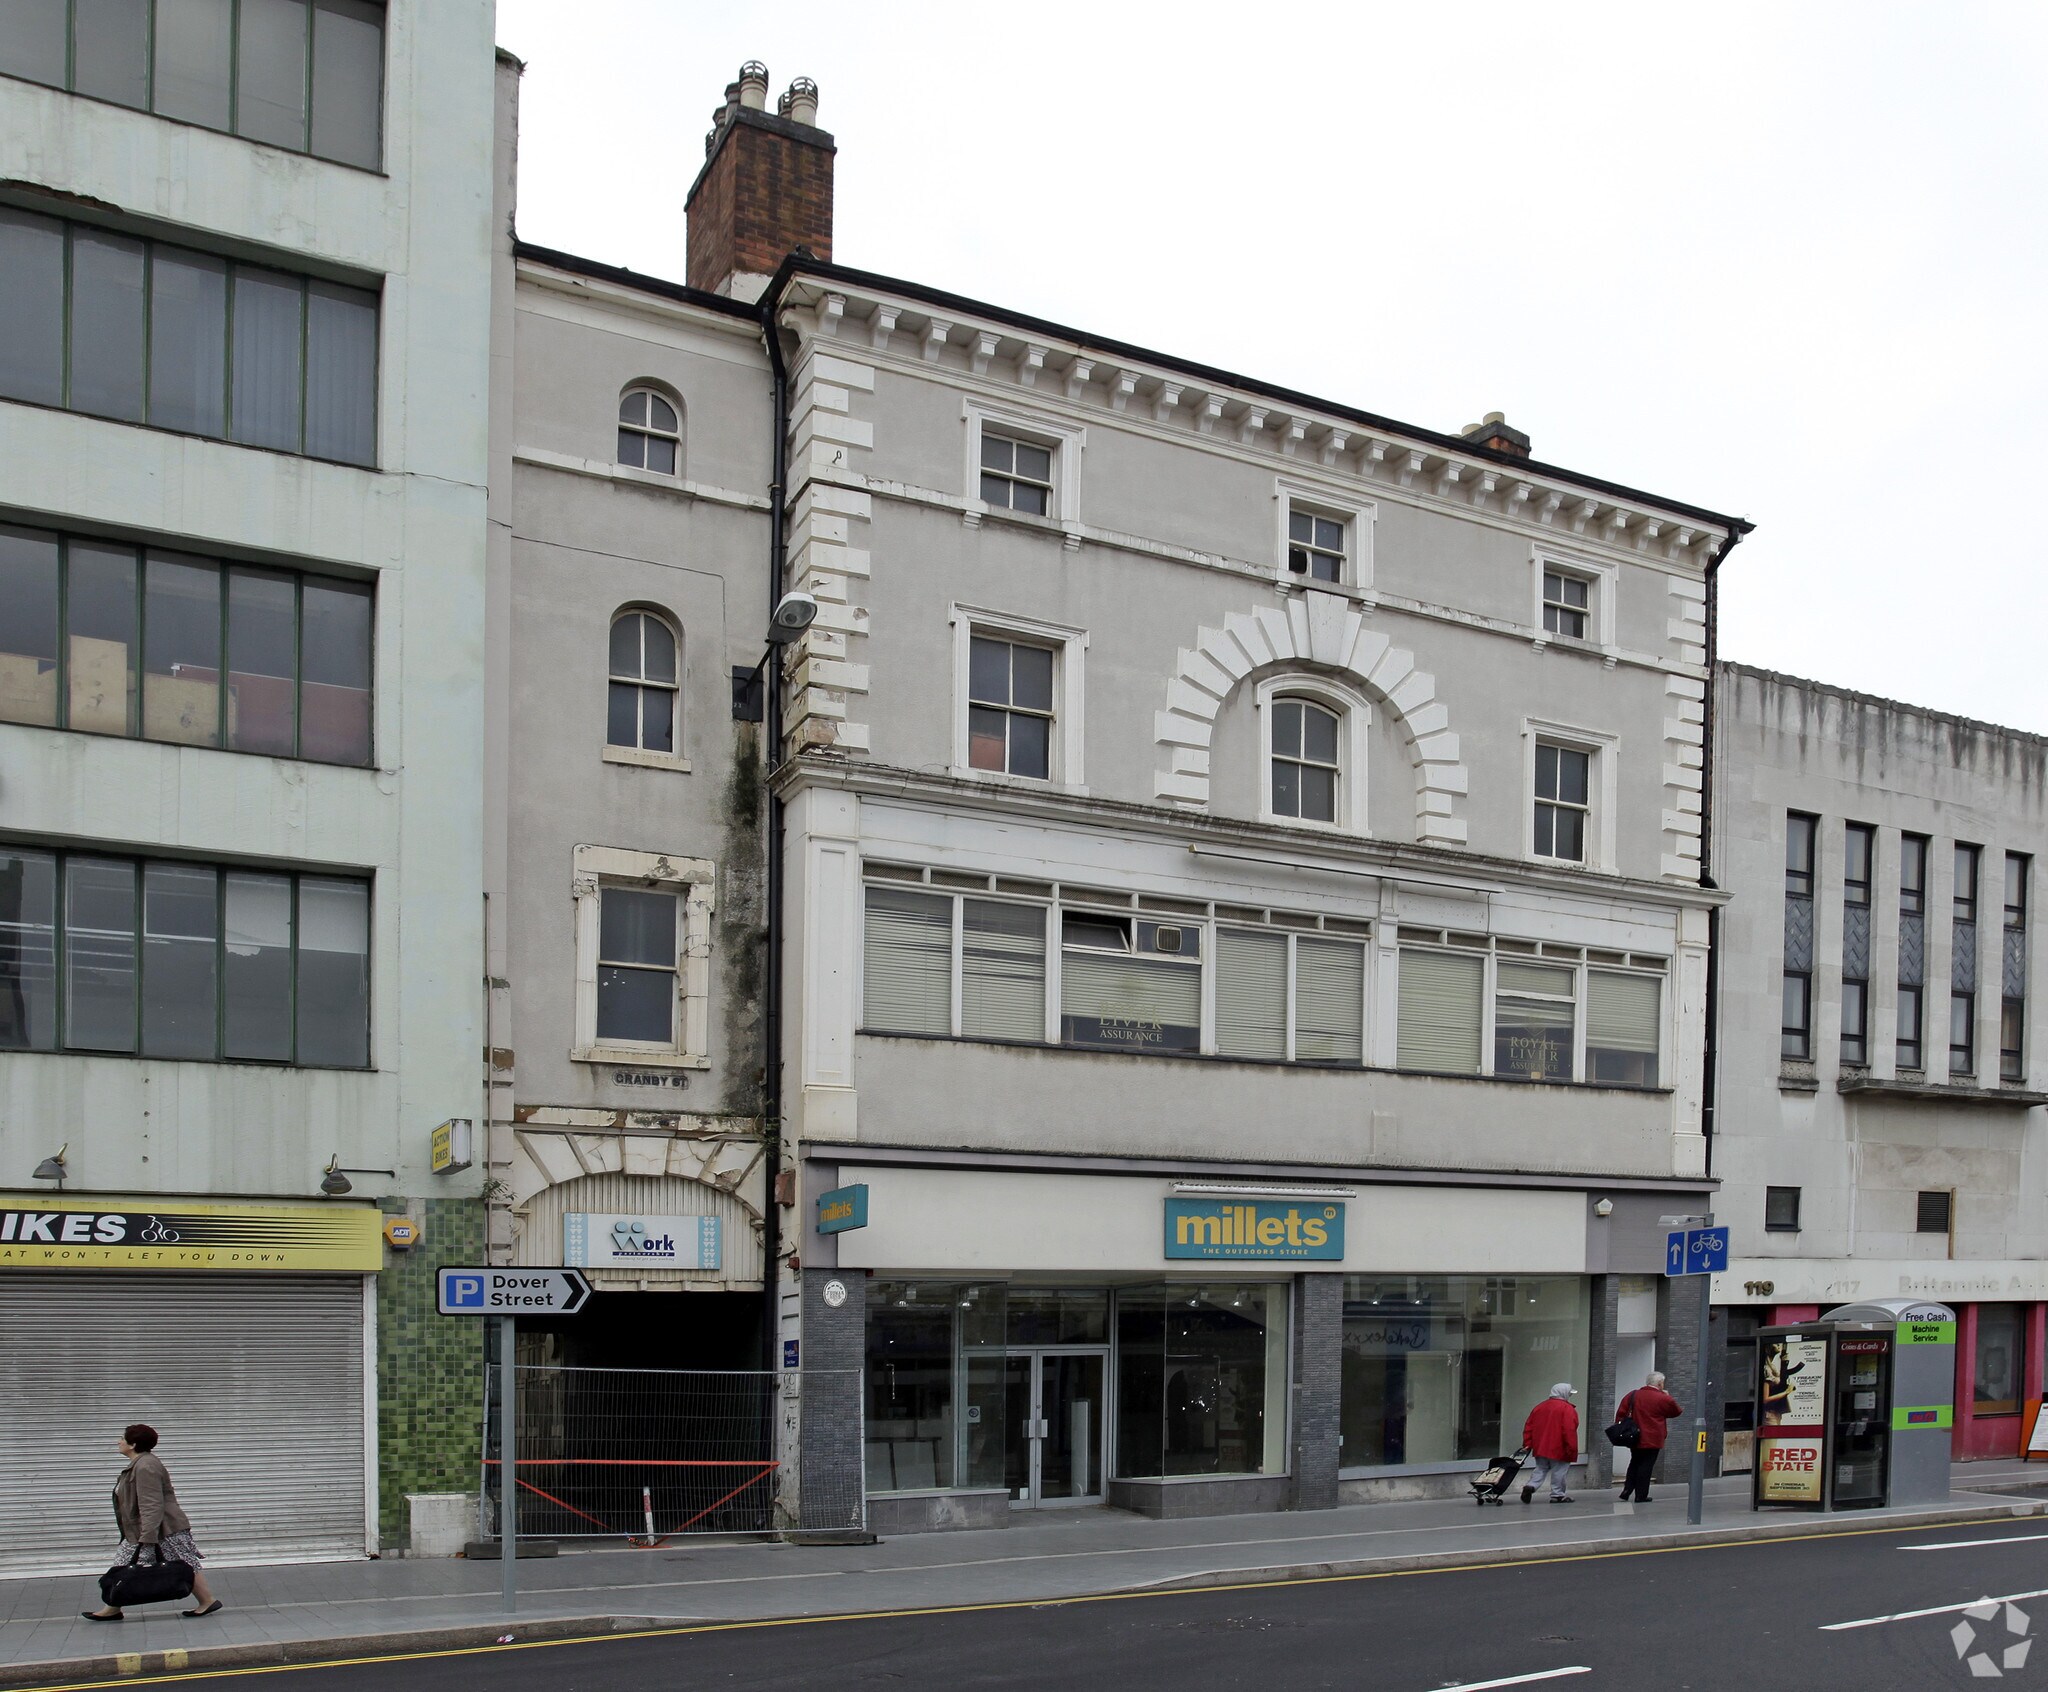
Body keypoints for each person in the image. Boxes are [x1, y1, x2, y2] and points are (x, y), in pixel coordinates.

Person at [83, 1424, 222, 1621]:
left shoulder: (146, 1466)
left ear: (133, 1444)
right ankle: (207, 1600)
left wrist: (147, 1536)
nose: (118, 1442)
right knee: (182, 1563)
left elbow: (152, 1504)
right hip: (153, 1528)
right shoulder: (140, 1464)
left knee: (129, 1564)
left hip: (161, 1529)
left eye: (122, 1438)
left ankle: (112, 1608)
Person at [1617, 1371, 1685, 1503]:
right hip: (1653, 1437)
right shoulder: (1662, 1398)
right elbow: (1676, 1411)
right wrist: (1667, 1396)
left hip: (1634, 1436)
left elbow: (1621, 1413)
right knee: (1646, 1466)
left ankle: (1627, 1490)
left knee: (1634, 1462)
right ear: (1660, 1384)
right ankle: (1641, 1495)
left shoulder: (1633, 1395)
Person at [1519, 1382, 1580, 1504]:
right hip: (1559, 1447)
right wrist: (1571, 1448)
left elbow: (1529, 1427)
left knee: (1541, 1468)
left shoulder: (1539, 1407)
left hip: (1541, 1447)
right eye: (1569, 1393)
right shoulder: (1567, 1409)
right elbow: (1569, 1431)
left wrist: (1528, 1444)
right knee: (1559, 1472)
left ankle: (1531, 1485)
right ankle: (1557, 1495)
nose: (1569, 1396)